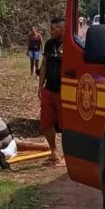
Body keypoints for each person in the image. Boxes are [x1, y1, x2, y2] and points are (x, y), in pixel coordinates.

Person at [38, 17, 65, 166]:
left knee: (65, 126)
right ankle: (54, 152)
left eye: (53, 28)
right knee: (45, 124)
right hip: (49, 90)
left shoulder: (72, 44)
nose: (51, 31)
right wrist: (40, 85)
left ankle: (67, 156)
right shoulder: (49, 44)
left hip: (64, 91)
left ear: (62, 29)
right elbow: (44, 65)